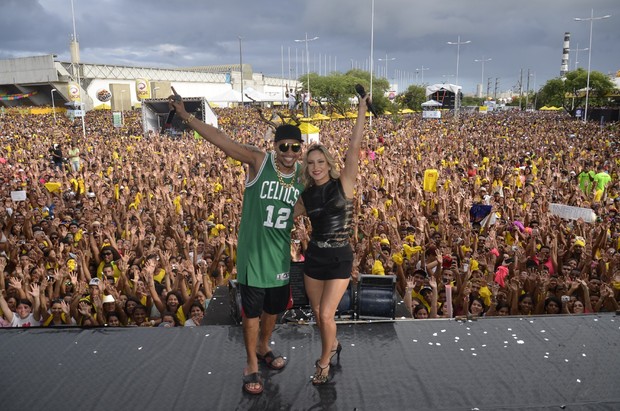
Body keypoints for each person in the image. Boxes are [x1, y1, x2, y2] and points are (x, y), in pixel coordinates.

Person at [169, 92, 305, 396]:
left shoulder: (302, 175)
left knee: (274, 309)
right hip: (254, 254)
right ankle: (250, 363)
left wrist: (296, 212)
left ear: (300, 149)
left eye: (294, 147)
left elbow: (311, 202)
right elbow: (221, 139)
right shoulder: (259, 160)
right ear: (275, 146)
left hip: (280, 254)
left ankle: (263, 347)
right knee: (252, 312)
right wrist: (187, 116)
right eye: (283, 146)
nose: (288, 153)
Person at [293, 92, 368, 385]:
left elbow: (354, 144)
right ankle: (333, 344)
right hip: (315, 257)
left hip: (339, 257)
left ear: (328, 162)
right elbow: (285, 216)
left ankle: (323, 361)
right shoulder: (306, 195)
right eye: (310, 162)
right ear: (306, 167)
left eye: (320, 161)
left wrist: (361, 108)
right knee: (316, 312)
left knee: (326, 314)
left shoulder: (344, 183)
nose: (316, 166)